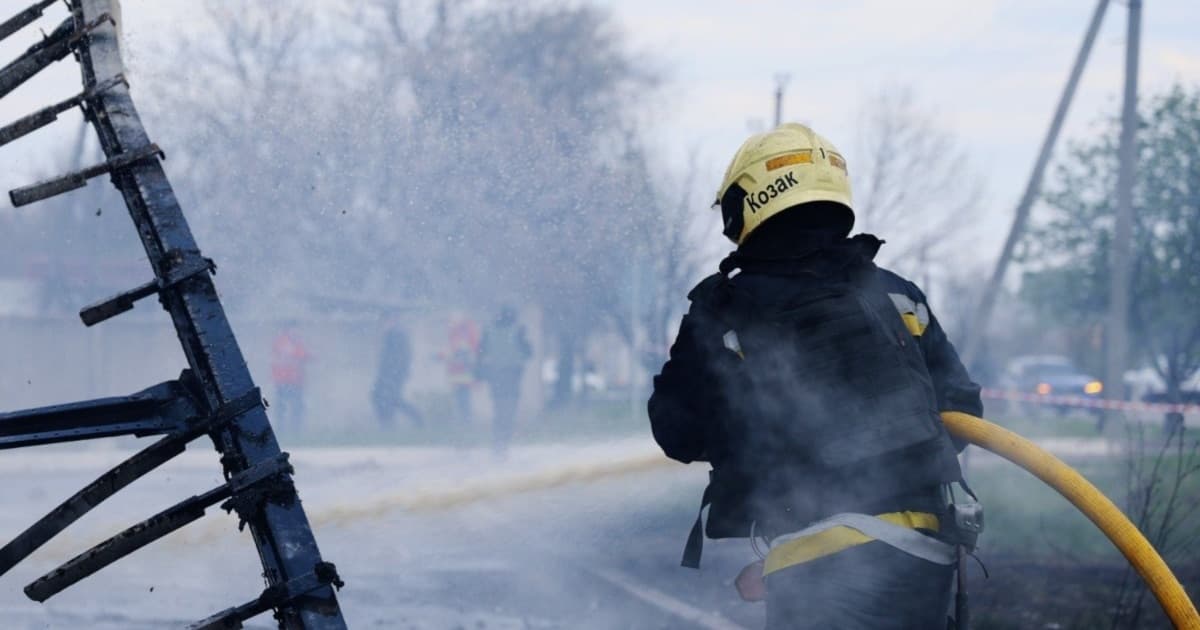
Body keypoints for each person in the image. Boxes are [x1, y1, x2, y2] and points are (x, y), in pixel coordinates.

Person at [647, 123, 984, 629]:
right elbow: (961, 409)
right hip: (924, 551)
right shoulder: (896, 295)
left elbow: (677, 432)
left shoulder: (725, 311)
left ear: (748, 204)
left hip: (812, 558)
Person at [478, 306, 531, 457]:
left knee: (499, 412)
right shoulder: (518, 330)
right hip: (512, 375)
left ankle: (498, 445)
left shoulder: (489, 330)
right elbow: (528, 352)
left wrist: (482, 370)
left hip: (496, 376)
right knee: (508, 412)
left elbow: (481, 351)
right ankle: (503, 445)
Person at [371, 314, 423, 428]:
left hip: (393, 374)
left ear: (392, 321)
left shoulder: (396, 335)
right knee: (382, 397)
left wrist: (395, 372)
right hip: (389, 373)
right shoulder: (392, 335)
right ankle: (388, 423)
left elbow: (400, 356)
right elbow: (389, 357)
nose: (383, 325)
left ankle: (415, 417)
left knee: (390, 398)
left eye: (385, 322)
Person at [271, 322, 310, 431]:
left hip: (296, 381)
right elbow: (298, 355)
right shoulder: (284, 343)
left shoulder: (296, 342)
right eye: (295, 329)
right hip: (284, 381)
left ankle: (295, 429)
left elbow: (303, 355)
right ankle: (282, 429)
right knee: (283, 407)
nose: (297, 332)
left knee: (296, 407)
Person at [444, 311, 481, 424]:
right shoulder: (459, 332)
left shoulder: (463, 333)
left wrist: (452, 357)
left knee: (463, 396)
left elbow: (461, 351)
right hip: (459, 370)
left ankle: (466, 419)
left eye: (451, 321)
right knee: (461, 396)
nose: (449, 324)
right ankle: (465, 418)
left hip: (462, 370)